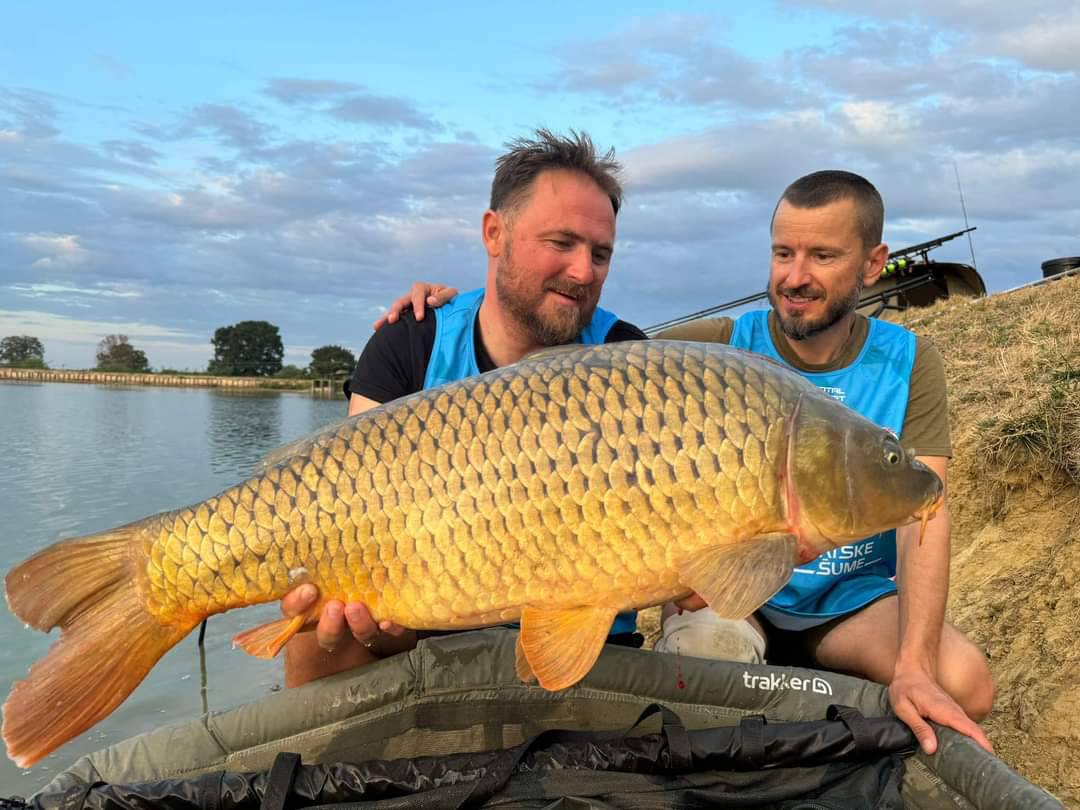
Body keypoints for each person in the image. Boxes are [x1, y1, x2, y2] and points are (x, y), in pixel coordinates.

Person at [380, 171, 995, 757]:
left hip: (845, 602)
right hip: (733, 600)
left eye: (823, 257)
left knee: (966, 682)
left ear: (873, 264)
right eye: (783, 254)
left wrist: (914, 664)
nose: (796, 276)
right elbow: (603, 360)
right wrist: (452, 301)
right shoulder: (727, 344)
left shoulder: (910, 361)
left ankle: (828, 723)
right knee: (708, 651)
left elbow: (927, 512)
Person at [280, 128, 648, 689]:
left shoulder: (629, 359)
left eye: (600, 254)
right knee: (319, 630)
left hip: (590, 631)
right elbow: (348, 508)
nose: (584, 272)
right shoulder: (412, 342)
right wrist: (376, 621)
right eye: (561, 243)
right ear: (494, 233)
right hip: (429, 617)